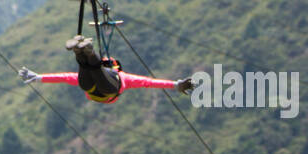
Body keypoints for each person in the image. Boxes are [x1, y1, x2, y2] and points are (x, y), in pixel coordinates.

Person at [18, 36, 194, 104]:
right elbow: (149, 83)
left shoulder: (120, 76)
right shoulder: (122, 77)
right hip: (102, 89)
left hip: (98, 88)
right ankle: (83, 51)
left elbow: (64, 77)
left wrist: (39, 77)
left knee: (86, 68)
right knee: (89, 68)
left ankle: (82, 52)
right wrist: (175, 85)